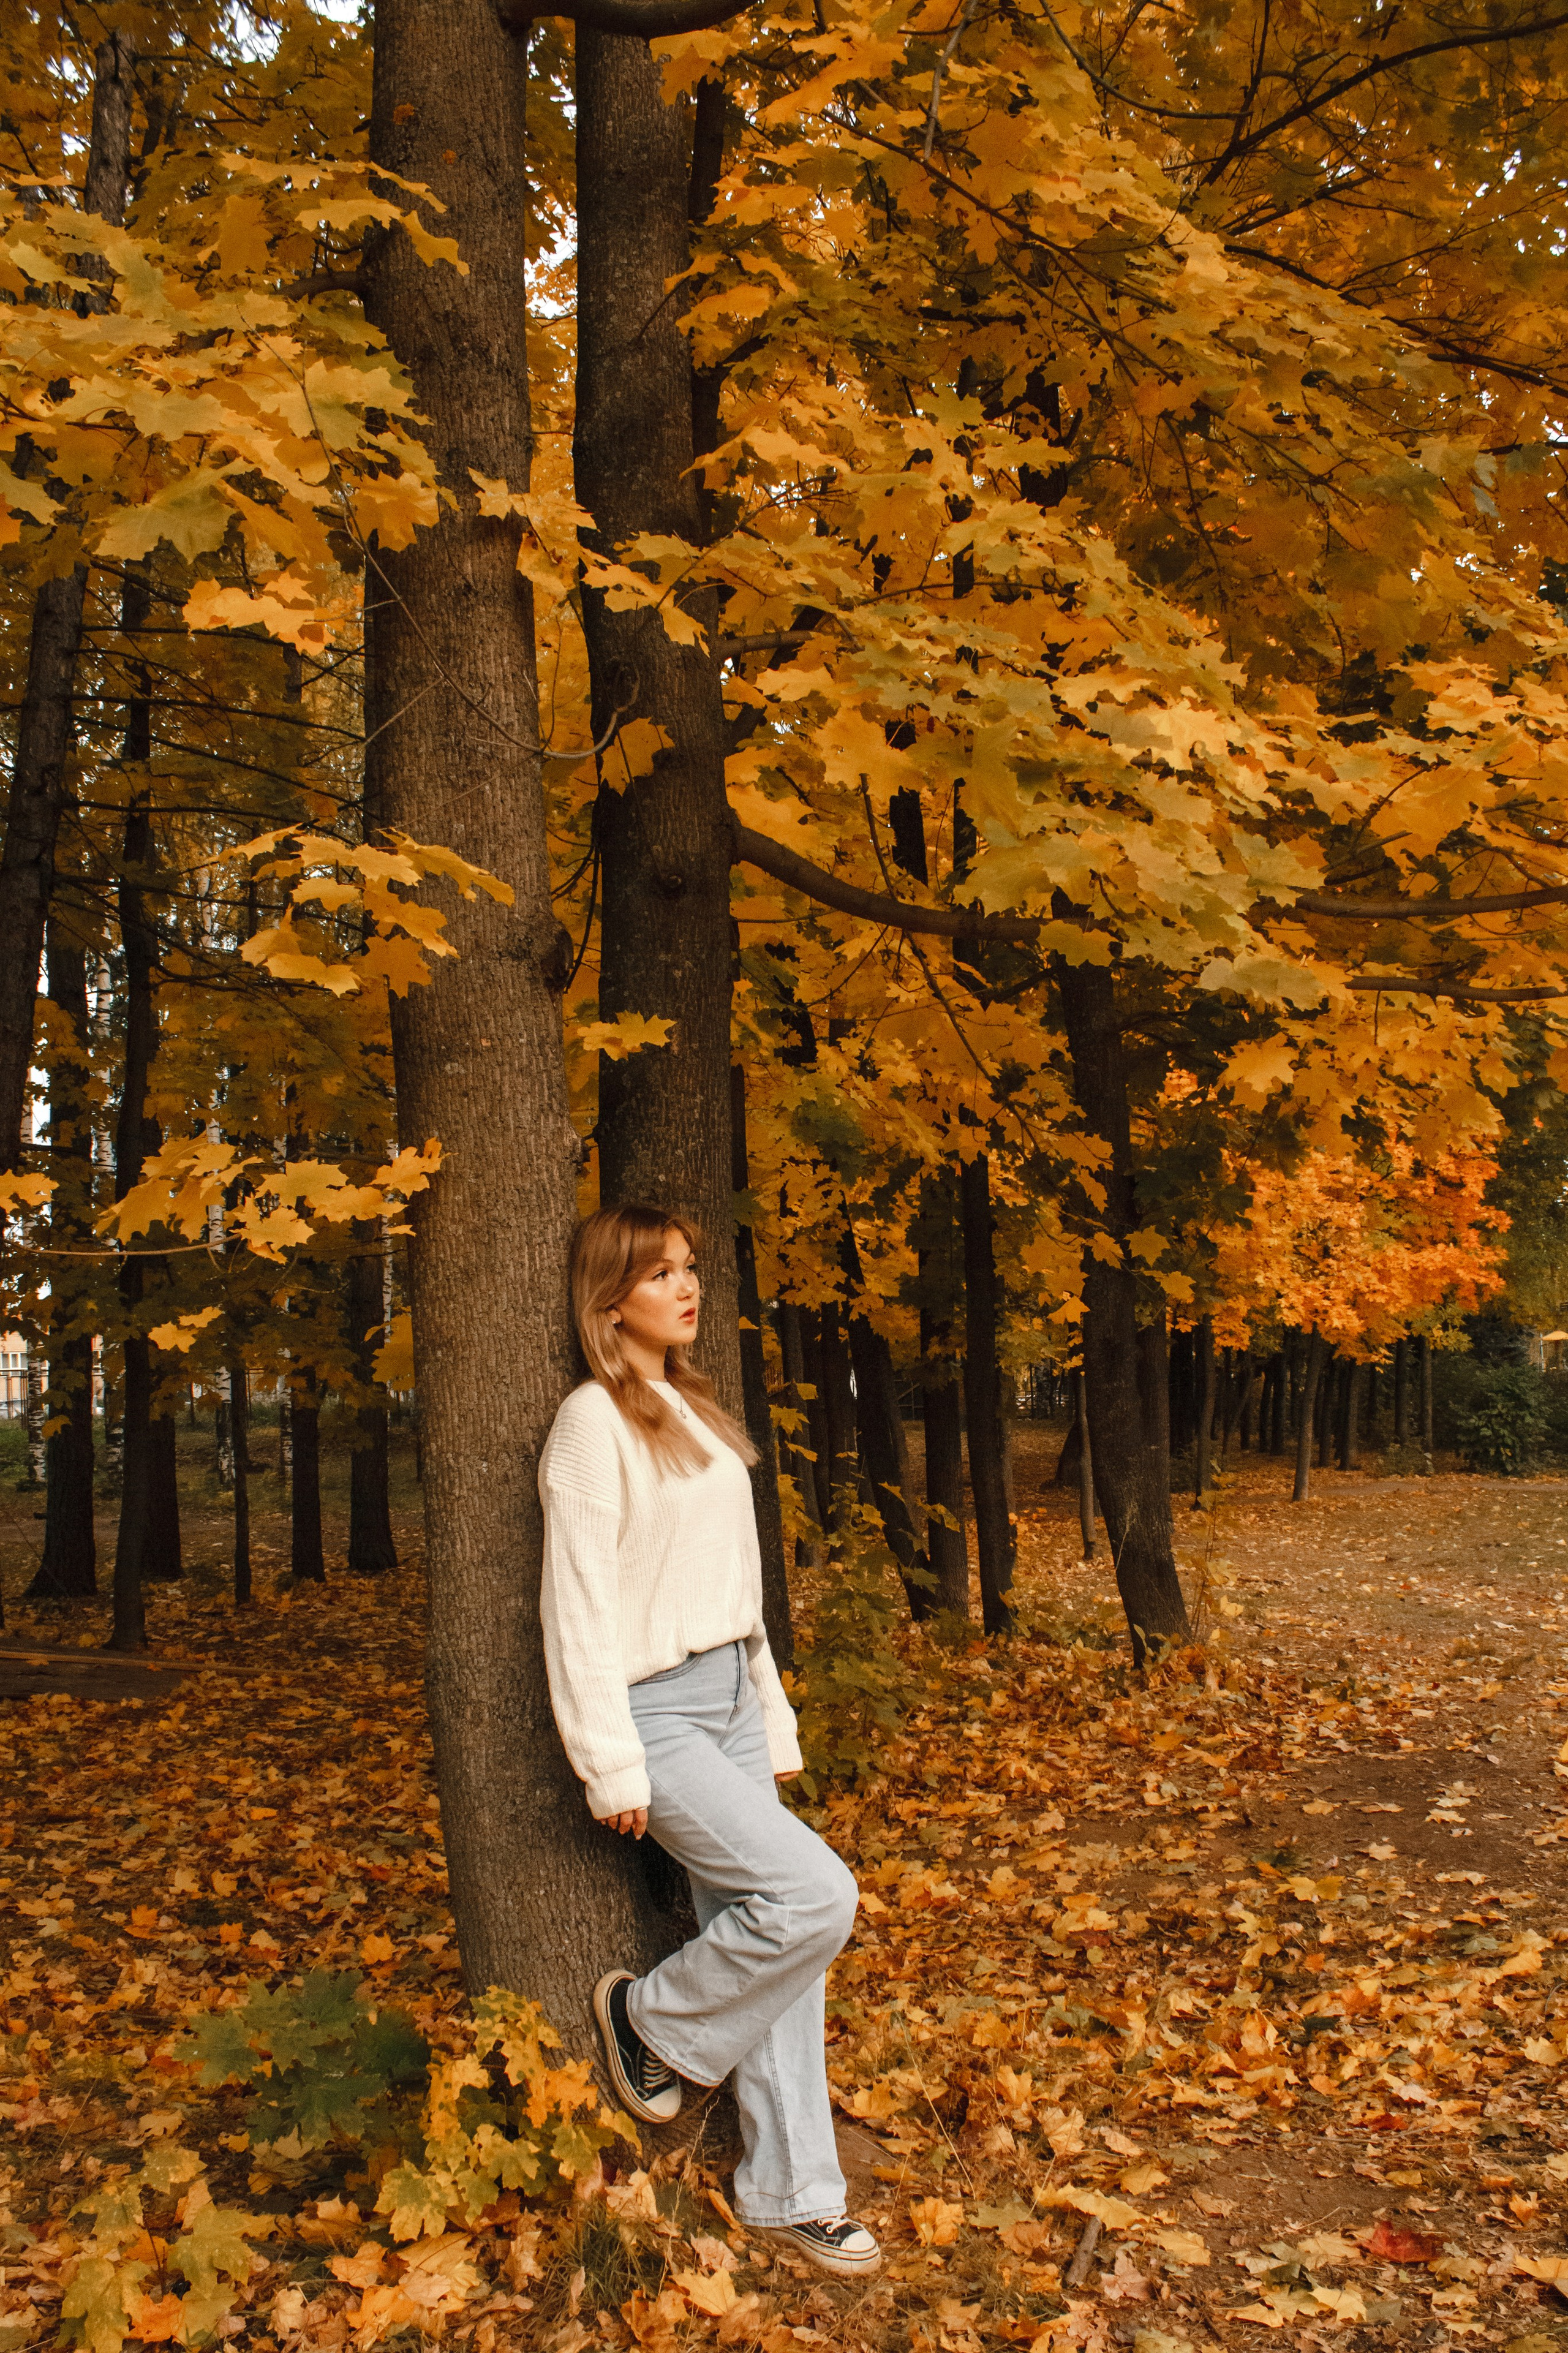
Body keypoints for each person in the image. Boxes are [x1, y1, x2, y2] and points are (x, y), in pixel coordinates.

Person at [539, 1202, 881, 2279]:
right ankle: (650, 2023)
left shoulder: (694, 1410)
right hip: (656, 1710)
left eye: (688, 1267)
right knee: (816, 1897)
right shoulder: (590, 1423)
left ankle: (792, 2191)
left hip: (730, 1692)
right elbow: (576, 1605)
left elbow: (738, 1588)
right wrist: (608, 1760)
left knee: (778, 1931)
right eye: (658, 1274)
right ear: (609, 1302)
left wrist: (769, 1713)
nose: (686, 1287)